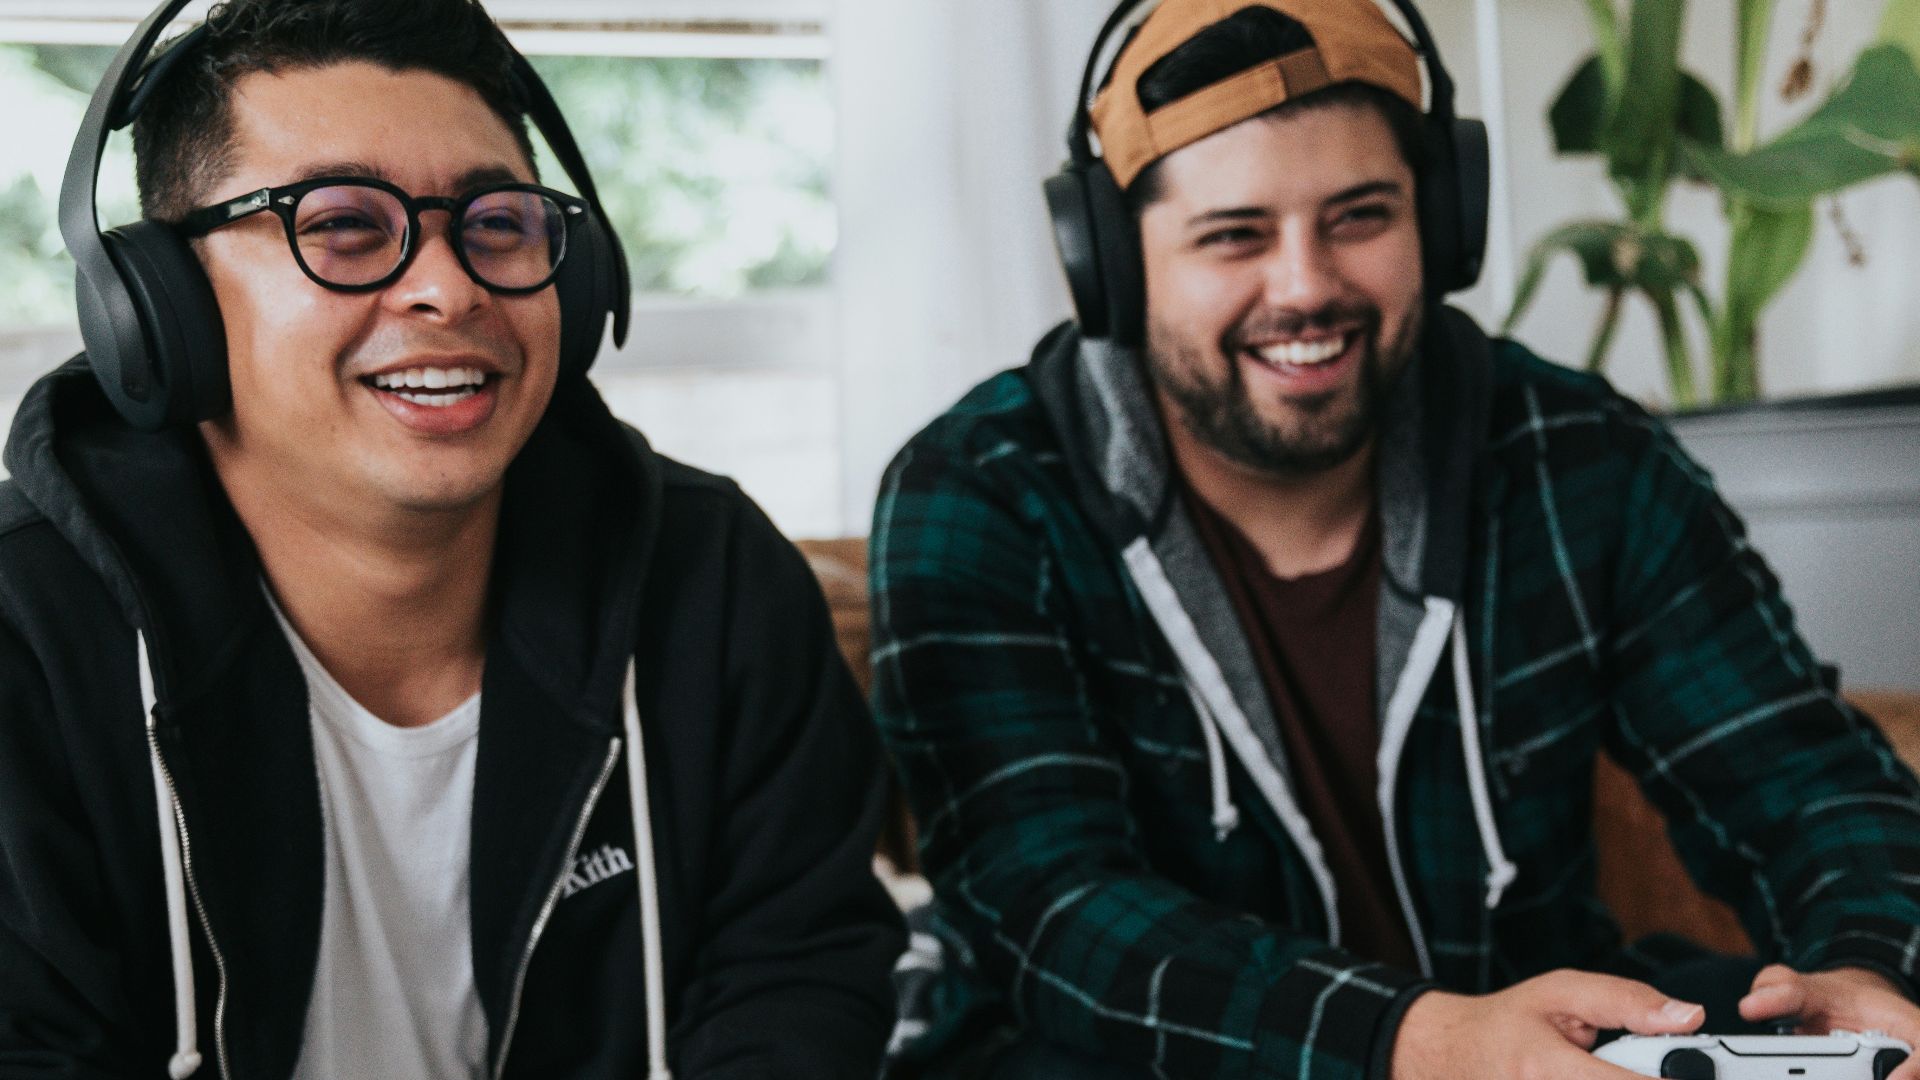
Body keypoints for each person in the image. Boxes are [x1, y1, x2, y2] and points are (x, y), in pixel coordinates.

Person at [867, 1, 1920, 1077]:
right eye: (1235, 234)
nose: (1307, 285)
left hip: (1524, 1041)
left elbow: (1804, 779)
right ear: (1115, 266)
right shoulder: (981, 492)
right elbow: (1051, 908)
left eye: (1360, 216)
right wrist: (1419, 1040)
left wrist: (1866, 970)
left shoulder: (1577, 456)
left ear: (1442, 221)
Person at [0, 1, 902, 1077]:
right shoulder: (25, 641)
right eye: (343, 226)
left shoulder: (714, 582)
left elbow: (801, 986)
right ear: (158, 306)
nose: (448, 287)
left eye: (497, 225)